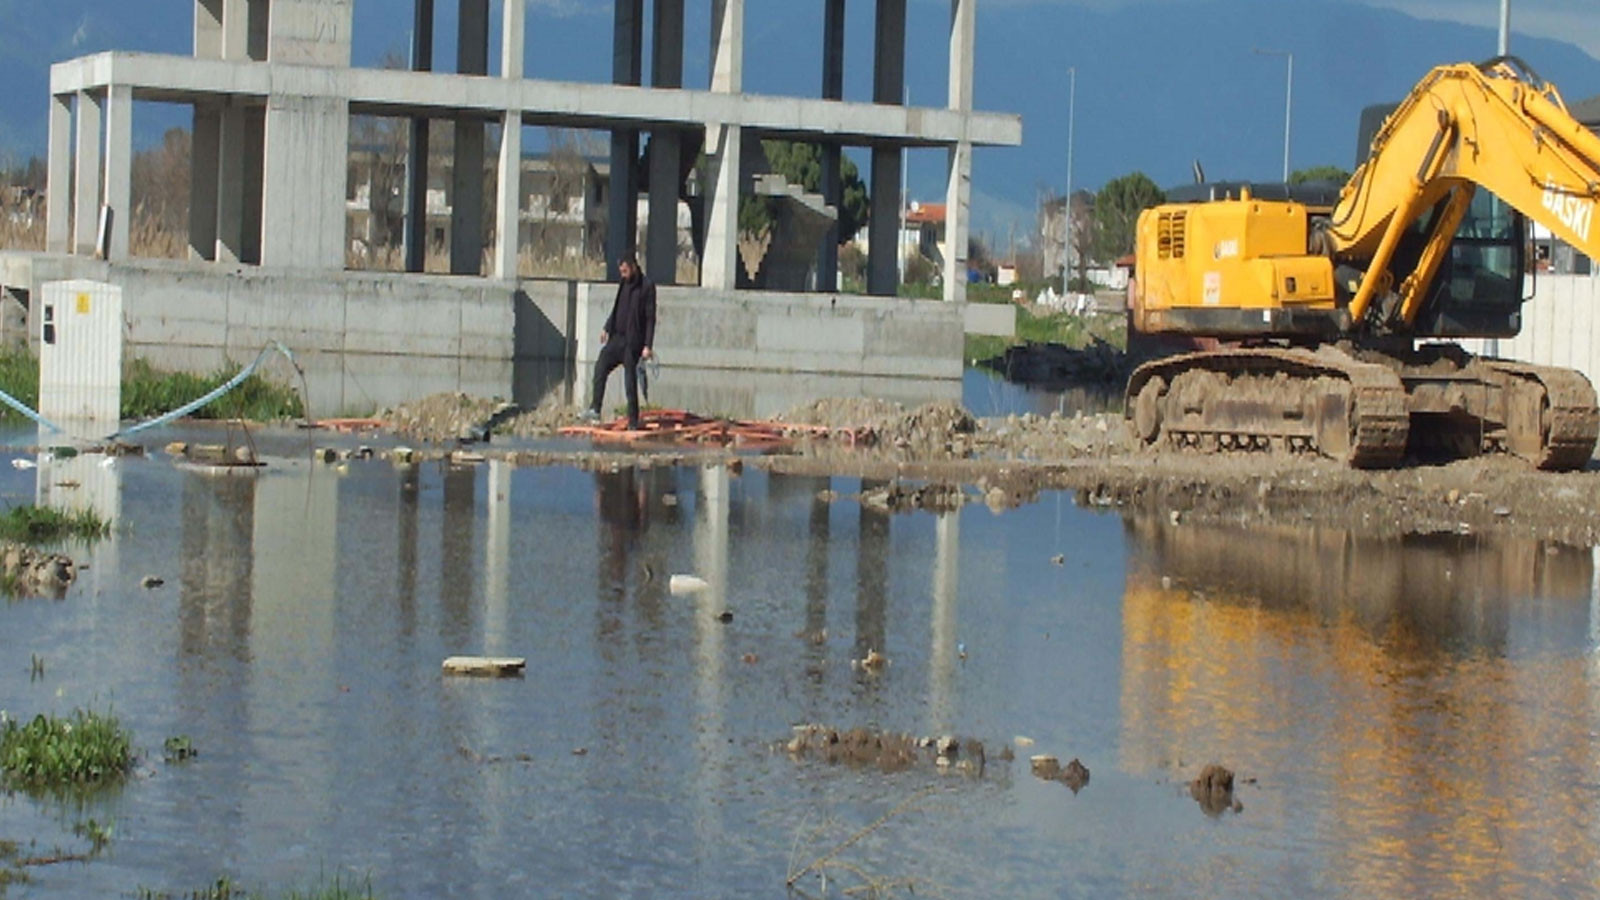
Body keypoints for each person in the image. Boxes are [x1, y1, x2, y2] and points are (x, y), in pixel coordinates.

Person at [584, 254, 656, 430]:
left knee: (630, 383)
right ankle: (595, 408)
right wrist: (607, 328)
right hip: (617, 338)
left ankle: (633, 422)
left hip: (633, 343)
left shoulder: (647, 286)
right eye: (621, 271)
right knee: (600, 367)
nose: (622, 274)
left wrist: (647, 346)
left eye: (625, 270)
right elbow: (617, 308)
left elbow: (650, 319)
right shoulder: (623, 283)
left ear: (632, 266)